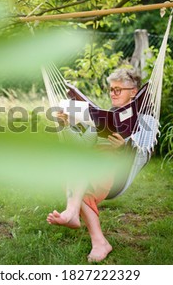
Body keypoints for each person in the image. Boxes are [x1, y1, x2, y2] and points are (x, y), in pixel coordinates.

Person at [47, 67, 141, 263]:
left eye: (119, 90)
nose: (113, 93)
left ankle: (72, 212)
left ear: (133, 91)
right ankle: (98, 241)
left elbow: (142, 152)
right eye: (111, 89)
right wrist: (65, 125)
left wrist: (124, 148)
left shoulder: (143, 118)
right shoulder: (104, 118)